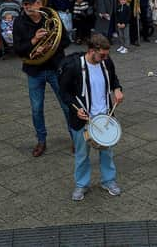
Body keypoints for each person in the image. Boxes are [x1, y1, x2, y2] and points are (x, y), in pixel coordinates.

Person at [58, 33, 124, 201]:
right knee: (81, 154)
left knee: (107, 153)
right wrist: (75, 109)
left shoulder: (106, 62)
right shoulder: (73, 66)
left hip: (104, 116)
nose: (104, 58)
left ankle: (108, 181)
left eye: (106, 55)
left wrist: (117, 89)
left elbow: (114, 79)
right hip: (83, 119)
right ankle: (81, 184)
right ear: (91, 50)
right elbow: (64, 93)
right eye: (102, 55)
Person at [13, 0, 72, 157]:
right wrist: (33, 42)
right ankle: (41, 140)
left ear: (39, 3)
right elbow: (17, 49)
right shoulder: (19, 21)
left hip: (55, 68)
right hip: (34, 71)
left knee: (66, 105)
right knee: (36, 109)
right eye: (25, 4)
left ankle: (75, 138)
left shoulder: (53, 17)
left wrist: (47, 46)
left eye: (30, 4)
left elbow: (66, 41)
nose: (27, 7)